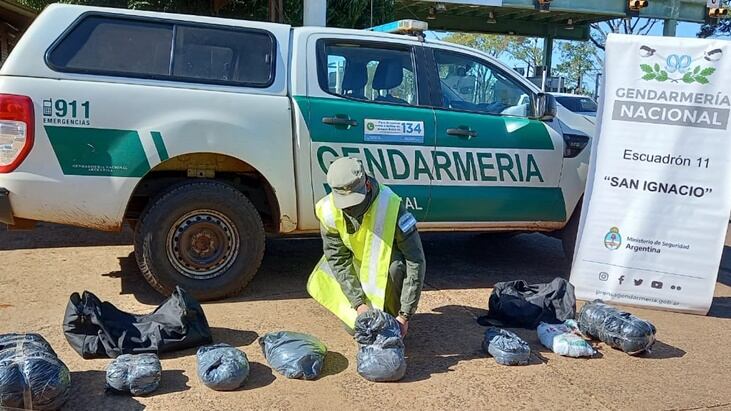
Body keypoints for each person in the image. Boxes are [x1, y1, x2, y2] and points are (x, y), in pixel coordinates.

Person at [307, 157, 426, 337]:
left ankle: (391, 316)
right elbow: (337, 259)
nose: (350, 209)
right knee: (354, 328)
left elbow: (415, 259)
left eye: (355, 201)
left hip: (385, 268)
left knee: (397, 267)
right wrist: (358, 304)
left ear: (367, 185)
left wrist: (404, 316)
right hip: (355, 267)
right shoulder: (328, 210)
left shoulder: (392, 206)